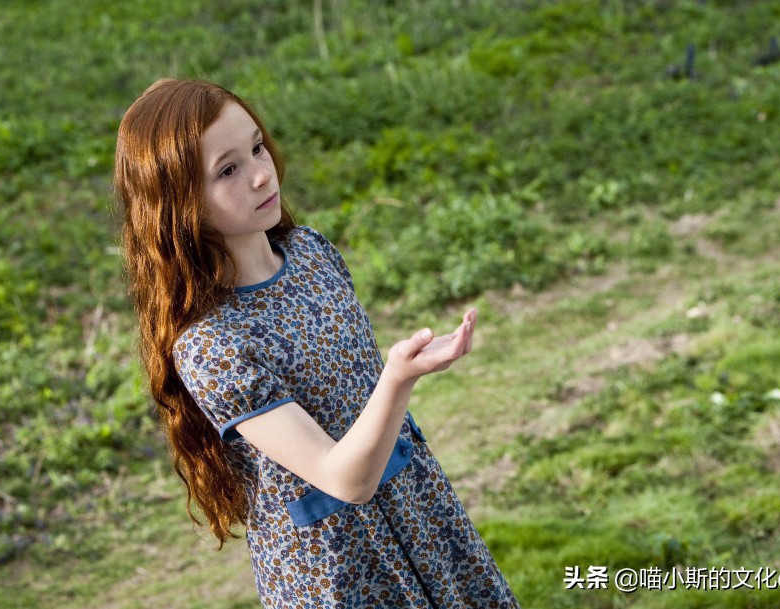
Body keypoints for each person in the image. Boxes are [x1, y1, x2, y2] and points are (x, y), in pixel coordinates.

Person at [114, 78, 521, 608]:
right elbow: (342, 478)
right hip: (340, 567)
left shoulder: (309, 252)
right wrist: (400, 377)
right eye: (228, 170)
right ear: (176, 204)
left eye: (257, 147)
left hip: (417, 509)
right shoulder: (212, 346)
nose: (262, 176)